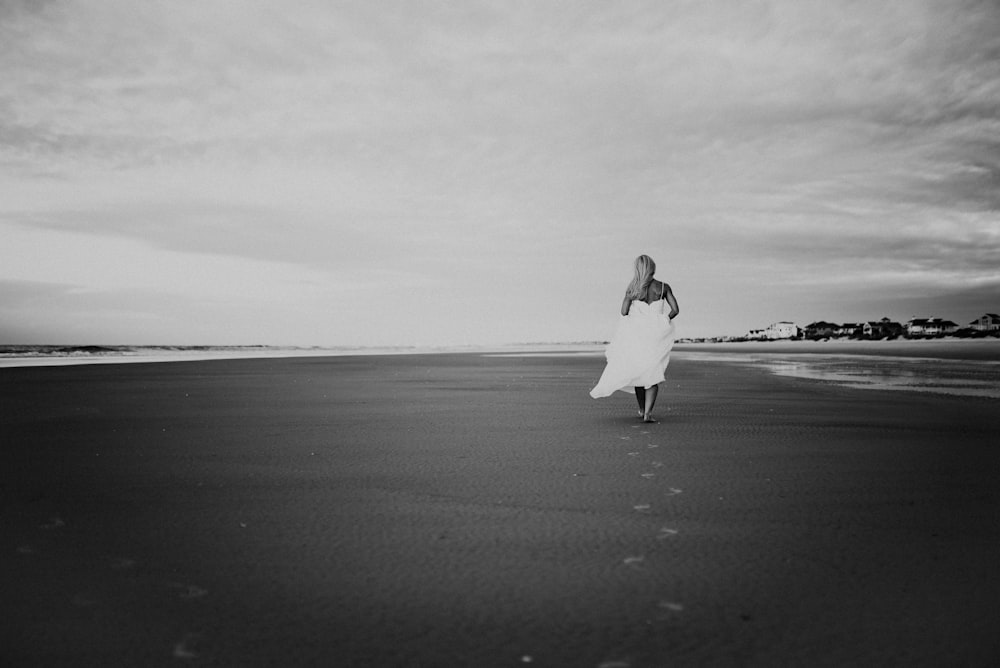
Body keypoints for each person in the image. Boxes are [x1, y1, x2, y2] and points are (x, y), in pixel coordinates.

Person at [590, 254, 679, 422]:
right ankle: (648, 413)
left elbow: (623, 312)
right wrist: (663, 320)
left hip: (636, 335)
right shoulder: (663, 287)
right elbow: (675, 309)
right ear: (652, 267)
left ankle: (640, 409)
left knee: (639, 371)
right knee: (653, 370)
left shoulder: (633, 288)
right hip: (656, 335)